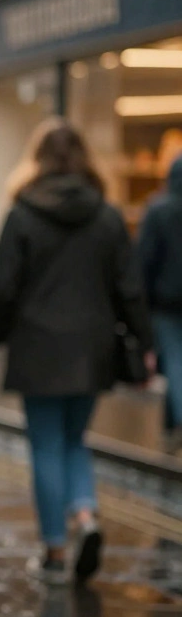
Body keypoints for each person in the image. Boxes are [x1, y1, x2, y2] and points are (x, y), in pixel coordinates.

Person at [0, 118, 154, 584]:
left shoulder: (21, 214)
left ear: (36, 159)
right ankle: (87, 515)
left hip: (37, 347)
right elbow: (129, 288)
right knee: (75, 439)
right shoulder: (106, 215)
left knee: (45, 444)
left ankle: (55, 550)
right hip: (93, 346)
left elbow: (0, 288)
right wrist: (144, 343)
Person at [140, 155, 182, 453]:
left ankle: (176, 423)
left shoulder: (158, 211)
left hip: (166, 302)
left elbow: (145, 261)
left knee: (175, 363)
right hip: (166, 301)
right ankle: (171, 425)